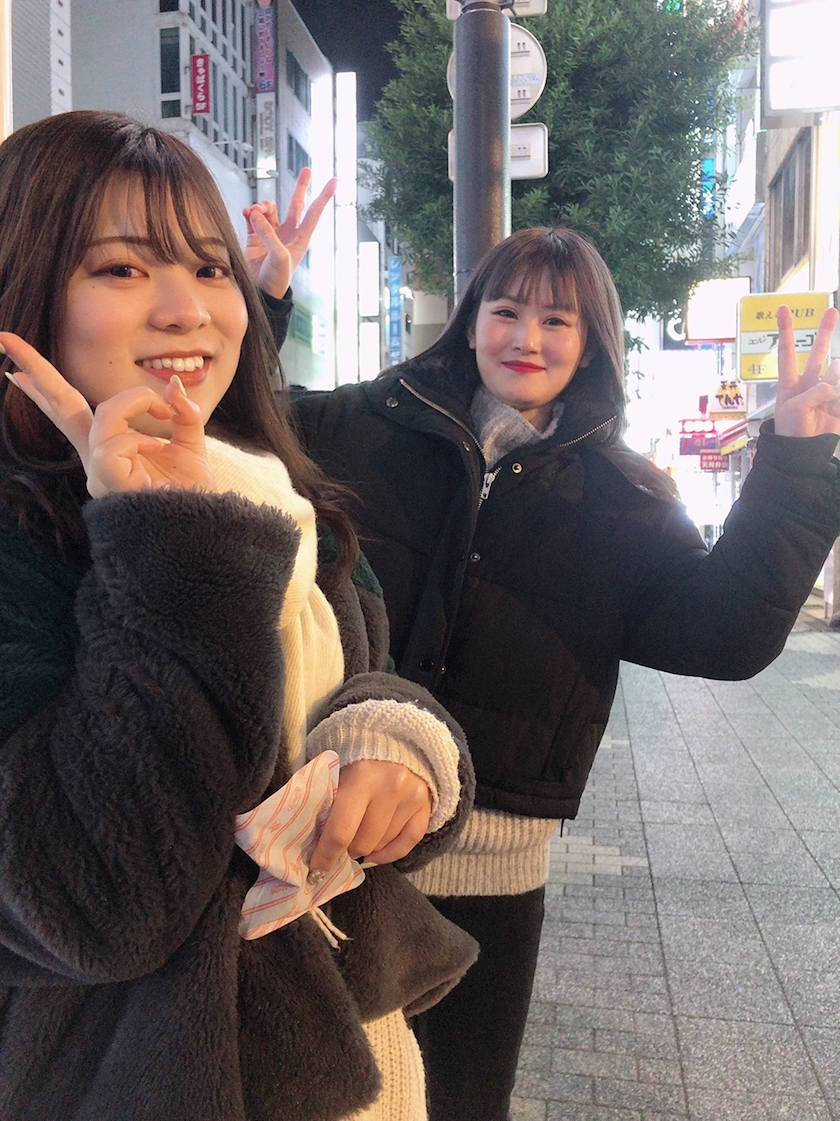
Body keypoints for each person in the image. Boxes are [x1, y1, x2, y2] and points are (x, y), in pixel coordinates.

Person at [261, 226, 840, 1121]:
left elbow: (722, 633)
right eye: (506, 309)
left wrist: (796, 464)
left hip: (491, 875)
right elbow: (243, 428)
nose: (527, 337)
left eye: (558, 320)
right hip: (330, 842)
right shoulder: (361, 427)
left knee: (462, 1102)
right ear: (470, 323)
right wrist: (263, 305)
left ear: (591, 343)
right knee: (310, 1097)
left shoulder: (625, 499)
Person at [0, 110, 479, 1121]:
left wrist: (394, 744)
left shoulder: (276, 494)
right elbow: (99, 905)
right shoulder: (23, 543)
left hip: (356, 1055)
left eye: (212, 268)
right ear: (23, 289)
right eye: (122, 268)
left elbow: (374, 678)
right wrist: (164, 542)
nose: (189, 310)